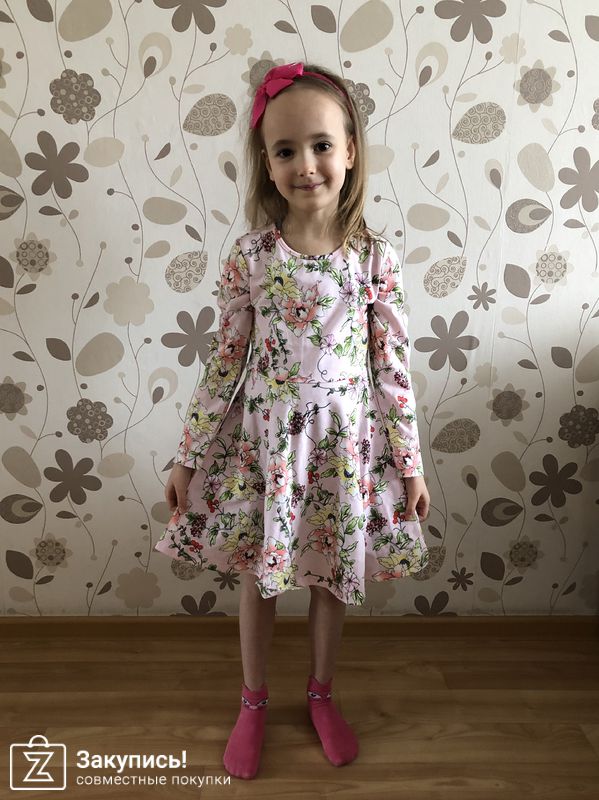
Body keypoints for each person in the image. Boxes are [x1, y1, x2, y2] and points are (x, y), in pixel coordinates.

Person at [154, 61, 431, 780]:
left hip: (344, 448)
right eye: (285, 150)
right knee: (262, 576)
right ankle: (252, 701)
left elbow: (392, 369)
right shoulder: (252, 258)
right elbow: (225, 364)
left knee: (332, 578)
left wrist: (410, 466)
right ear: (266, 163)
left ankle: (321, 694)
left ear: (350, 152)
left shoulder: (373, 259)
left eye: (320, 145)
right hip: (269, 450)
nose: (305, 164)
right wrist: (187, 456)